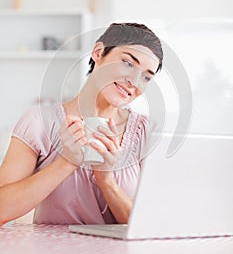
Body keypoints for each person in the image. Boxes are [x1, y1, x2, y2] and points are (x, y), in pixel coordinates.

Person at [0, 23, 163, 226]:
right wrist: (66, 162)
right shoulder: (40, 122)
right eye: (128, 63)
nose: (134, 81)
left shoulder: (148, 132)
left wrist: (107, 181)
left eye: (146, 76)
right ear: (98, 52)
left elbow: (150, 228)